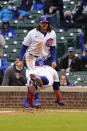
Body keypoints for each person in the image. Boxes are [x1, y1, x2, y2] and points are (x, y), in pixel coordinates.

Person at [19, 15, 57, 107]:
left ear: (48, 24)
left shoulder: (52, 33)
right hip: (32, 57)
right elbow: (24, 46)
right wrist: (20, 59)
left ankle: (27, 100)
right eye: (43, 22)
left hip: (44, 59)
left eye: (46, 23)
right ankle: (36, 100)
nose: (44, 24)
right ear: (39, 23)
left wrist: (54, 59)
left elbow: (53, 48)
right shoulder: (32, 33)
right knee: (34, 78)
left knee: (39, 79)